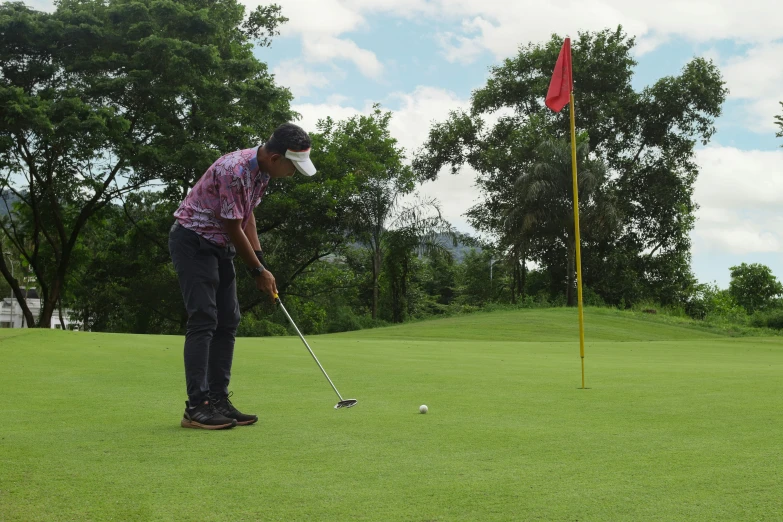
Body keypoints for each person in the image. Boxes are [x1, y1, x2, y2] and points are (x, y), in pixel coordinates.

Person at [168, 123, 316, 430]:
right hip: (193, 241)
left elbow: (247, 216)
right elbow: (232, 225)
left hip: (220, 244)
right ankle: (196, 407)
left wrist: (260, 262)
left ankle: (218, 400)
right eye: (293, 167)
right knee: (204, 318)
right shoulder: (234, 170)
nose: (294, 173)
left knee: (229, 319)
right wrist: (258, 271)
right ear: (276, 158)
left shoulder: (262, 172)